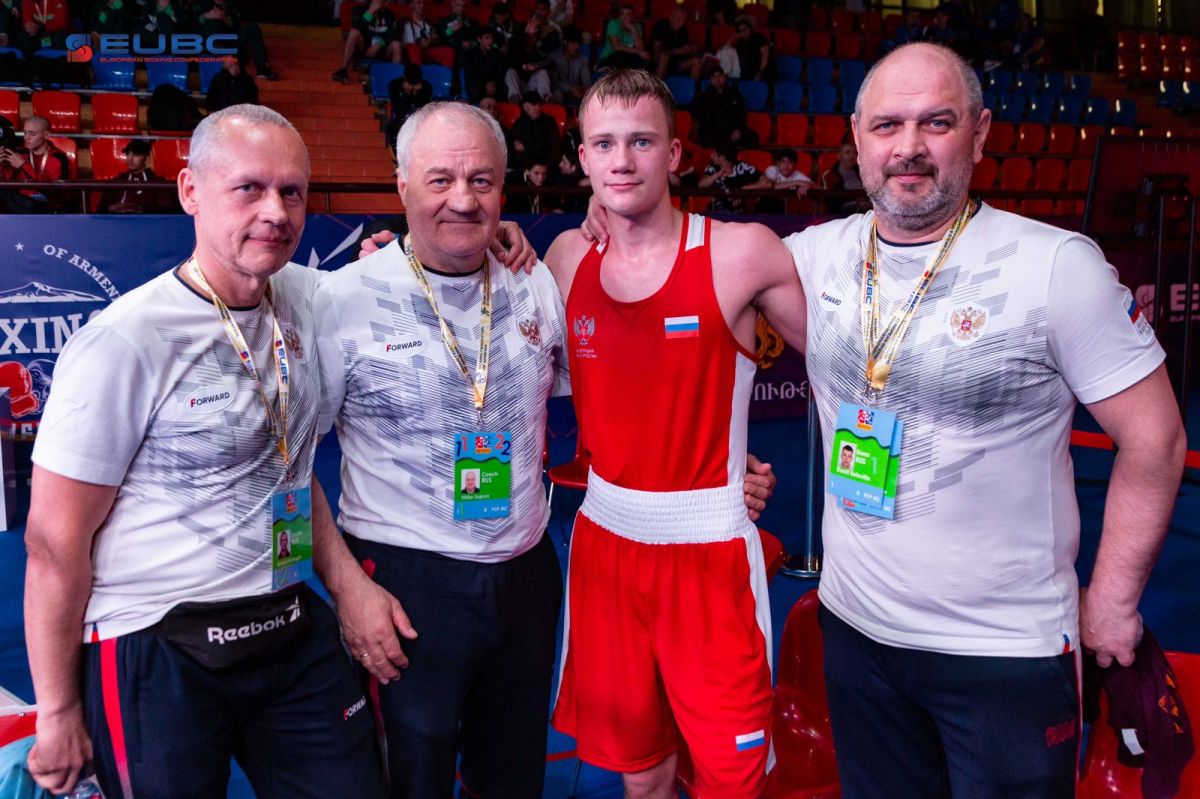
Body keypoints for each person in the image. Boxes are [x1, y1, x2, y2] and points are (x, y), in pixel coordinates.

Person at [783, 42, 1185, 798]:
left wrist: (1113, 600)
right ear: (857, 137)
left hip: (1004, 651)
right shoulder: (812, 257)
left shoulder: (1055, 266)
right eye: (887, 125)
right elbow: (685, 275)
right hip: (857, 634)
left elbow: (1155, 438)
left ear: (980, 132)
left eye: (936, 123)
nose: (908, 147)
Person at [22, 104, 384, 797]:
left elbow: (429, 257)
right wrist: (58, 710)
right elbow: (53, 542)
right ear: (190, 189)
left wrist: (502, 236)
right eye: (249, 188)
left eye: (292, 192)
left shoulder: (303, 295)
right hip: (158, 640)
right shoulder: (124, 341)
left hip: (285, 617)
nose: (275, 212)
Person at [546, 69, 806, 799]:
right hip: (605, 546)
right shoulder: (566, 258)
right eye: (604, 143)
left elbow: (847, 363)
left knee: (731, 780)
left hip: (709, 549)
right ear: (583, 157)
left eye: (641, 141)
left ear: (675, 154)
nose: (622, 160)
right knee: (643, 774)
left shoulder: (742, 252)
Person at [310, 101, 571, 799]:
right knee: (407, 781)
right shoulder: (342, 298)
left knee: (511, 779)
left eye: (481, 181)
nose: (463, 199)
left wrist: (724, 471)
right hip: (403, 580)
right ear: (401, 186)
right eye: (440, 180)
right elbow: (287, 465)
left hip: (526, 573)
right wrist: (347, 588)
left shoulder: (533, 280)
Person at [1, 115, 69, 213]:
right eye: (25, 133)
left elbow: (55, 192)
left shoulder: (58, 157)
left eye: (32, 134)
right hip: (20, 205)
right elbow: (6, 182)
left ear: (47, 135)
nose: (27, 138)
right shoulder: (21, 154)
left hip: (48, 206)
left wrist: (24, 166)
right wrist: (1, 165)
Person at [332, 0, 402, 83]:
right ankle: (343, 70)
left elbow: (393, 35)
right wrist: (371, 11)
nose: (387, 3)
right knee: (354, 32)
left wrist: (379, 45)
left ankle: (394, 80)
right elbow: (357, 26)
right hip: (364, 48)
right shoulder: (359, 10)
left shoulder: (390, 14)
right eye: (383, 1)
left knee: (396, 44)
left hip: (382, 49)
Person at [98, 139, 172, 214]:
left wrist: (142, 209)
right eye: (128, 154)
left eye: (136, 154)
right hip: (118, 220)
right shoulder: (117, 181)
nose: (130, 158)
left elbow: (166, 210)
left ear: (146, 158)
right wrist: (111, 208)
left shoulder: (158, 182)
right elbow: (101, 210)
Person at [693, 65, 758, 149]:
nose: (717, 79)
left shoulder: (734, 94)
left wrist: (738, 129)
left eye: (719, 76)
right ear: (710, 80)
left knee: (753, 138)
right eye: (714, 77)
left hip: (733, 130)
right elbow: (701, 118)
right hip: (714, 132)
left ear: (724, 78)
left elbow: (742, 114)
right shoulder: (705, 97)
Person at [698, 144, 761, 214]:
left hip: (739, 213)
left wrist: (743, 189)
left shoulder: (743, 167)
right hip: (715, 211)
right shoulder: (712, 167)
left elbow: (767, 183)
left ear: (722, 158)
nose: (711, 156)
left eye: (714, 154)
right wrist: (717, 175)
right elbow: (701, 184)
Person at [509, 90, 560, 173]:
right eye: (534, 105)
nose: (538, 108)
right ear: (525, 107)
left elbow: (554, 147)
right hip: (526, 170)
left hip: (548, 167)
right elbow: (516, 150)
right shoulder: (518, 124)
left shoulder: (549, 121)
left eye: (539, 104)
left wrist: (527, 147)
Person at [386, 63, 433, 144]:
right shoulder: (394, 85)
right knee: (392, 127)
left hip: (419, 119)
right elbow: (399, 111)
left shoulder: (426, 87)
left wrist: (417, 94)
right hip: (401, 119)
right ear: (404, 76)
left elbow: (423, 109)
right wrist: (406, 94)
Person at [650, 6, 701, 80]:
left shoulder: (683, 30)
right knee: (664, 57)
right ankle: (658, 86)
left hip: (675, 63)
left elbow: (684, 50)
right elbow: (657, 52)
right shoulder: (660, 26)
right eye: (679, 20)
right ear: (671, 18)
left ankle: (691, 86)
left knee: (697, 61)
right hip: (658, 61)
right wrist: (677, 51)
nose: (681, 23)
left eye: (683, 21)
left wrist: (691, 49)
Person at [596, 3, 649, 71]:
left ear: (633, 16)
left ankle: (636, 76)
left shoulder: (637, 26)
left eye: (628, 15)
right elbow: (616, 47)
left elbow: (641, 48)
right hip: (611, 56)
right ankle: (602, 65)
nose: (624, 17)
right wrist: (638, 51)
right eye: (622, 14)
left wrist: (633, 29)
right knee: (621, 54)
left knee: (642, 59)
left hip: (628, 57)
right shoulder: (614, 23)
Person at [548, 25, 591, 105]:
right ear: (565, 42)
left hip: (576, 90)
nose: (576, 46)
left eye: (578, 44)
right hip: (559, 89)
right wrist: (569, 88)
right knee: (558, 94)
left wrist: (581, 89)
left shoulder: (583, 59)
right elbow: (553, 81)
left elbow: (587, 82)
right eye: (573, 43)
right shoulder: (555, 57)